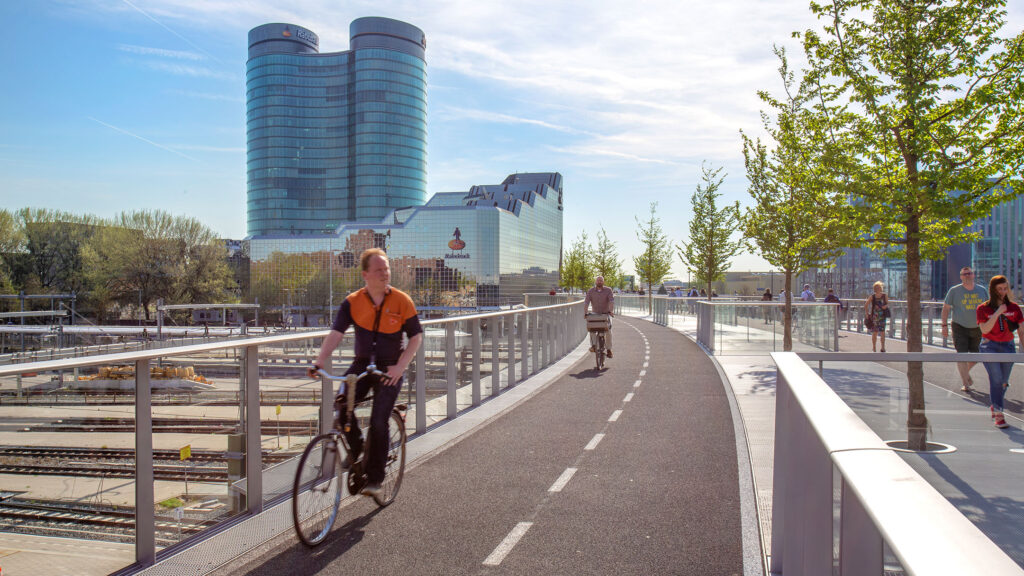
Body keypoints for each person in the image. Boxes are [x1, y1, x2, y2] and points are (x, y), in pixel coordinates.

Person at [309, 248, 423, 497]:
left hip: (390, 366)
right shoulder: (352, 302)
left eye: (387, 269)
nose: (385, 274)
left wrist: (400, 366)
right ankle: (358, 449)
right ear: (365, 275)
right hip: (362, 364)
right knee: (342, 407)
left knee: (378, 421)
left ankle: (375, 477)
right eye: (379, 270)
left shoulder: (402, 301)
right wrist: (319, 361)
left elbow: (416, 336)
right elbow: (336, 334)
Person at [976, 275, 1023, 429]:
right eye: (999, 289)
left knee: (1003, 382)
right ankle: (999, 414)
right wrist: (997, 313)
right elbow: (984, 329)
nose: (1003, 292)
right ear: (993, 290)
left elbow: (1021, 330)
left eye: (1005, 288)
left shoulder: (1014, 308)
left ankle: (995, 404)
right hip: (990, 345)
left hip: (1008, 346)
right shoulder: (983, 308)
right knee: (996, 379)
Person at [941, 266, 988, 391]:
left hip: (978, 327)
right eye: (964, 274)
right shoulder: (954, 290)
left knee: (977, 355)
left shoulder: (982, 290)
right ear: (961, 277)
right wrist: (944, 325)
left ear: (973, 275)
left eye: (969, 273)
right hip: (959, 326)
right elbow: (946, 308)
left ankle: (965, 373)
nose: (967, 276)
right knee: (961, 354)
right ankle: (965, 383)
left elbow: (989, 308)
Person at [583, 275, 615, 358]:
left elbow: (611, 301)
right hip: (595, 314)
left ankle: (609, 349)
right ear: (595, 282)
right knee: (591, 329)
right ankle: (593, 345)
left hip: (606, 313)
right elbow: (586, 302)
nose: (599, 282)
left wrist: (611, 311)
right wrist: (585, 312)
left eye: (601, 280)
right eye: (598, 280)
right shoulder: (590, 291)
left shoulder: (608, 290)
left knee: (608, 331)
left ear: (603, 282)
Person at [864, 281, 890, 352]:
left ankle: (882, 347)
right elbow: (866, 305)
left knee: (882, 332)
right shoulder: (872, 296)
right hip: (874, 317)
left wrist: (885, 306)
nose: (878, 289)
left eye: (879, 287)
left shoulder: (885, 295)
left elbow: (888, 304)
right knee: (875, 332)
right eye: (877, 288)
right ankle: (874, 347)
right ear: (875, 289)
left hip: (882, 317)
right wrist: (867, 314)